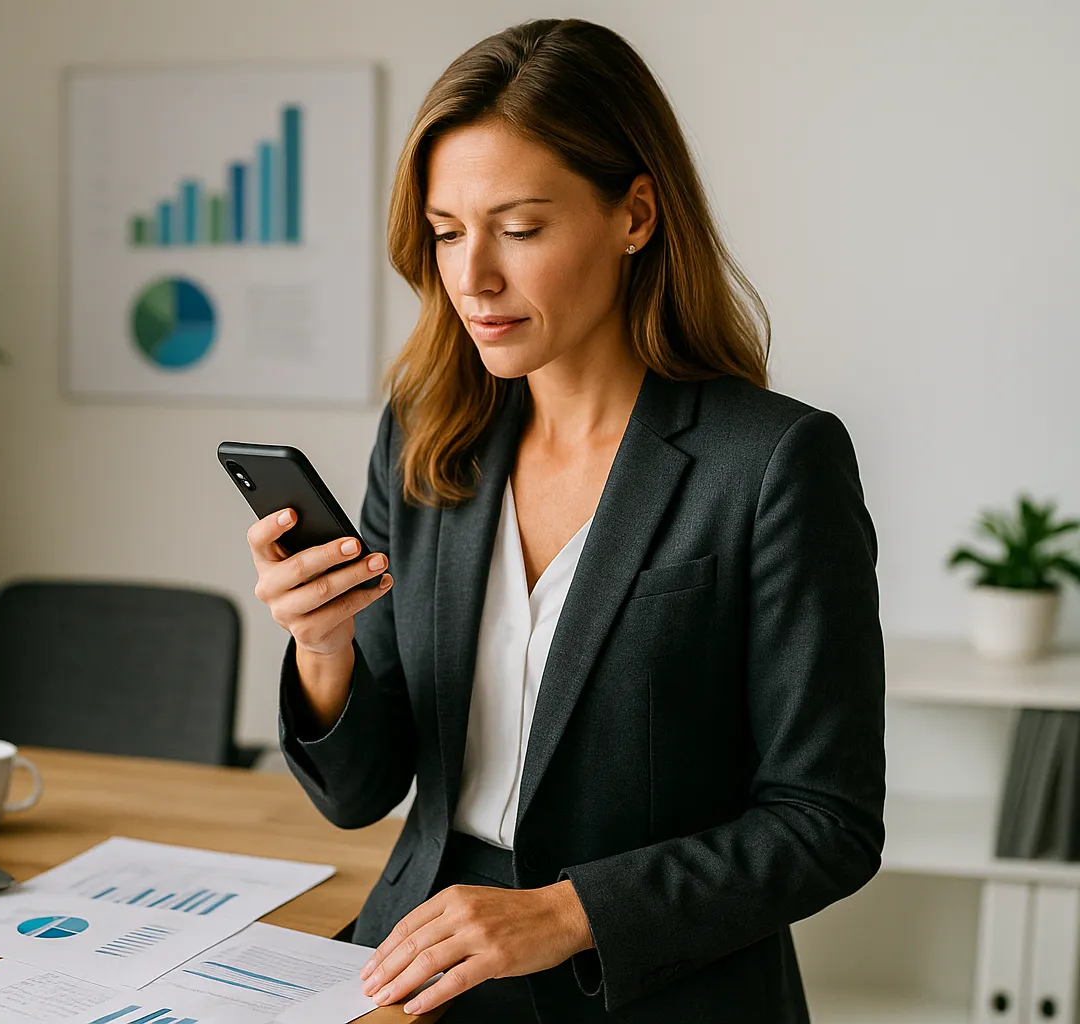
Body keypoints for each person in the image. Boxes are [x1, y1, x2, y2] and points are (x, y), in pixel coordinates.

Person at [242, 17, 884, 1023]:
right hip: (420, 969)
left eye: (521, 228)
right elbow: (359, 792)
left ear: (635, 214)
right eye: (448, 231)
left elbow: (826, 821)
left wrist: (567, 910)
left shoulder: (771, 462)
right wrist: (324, 648)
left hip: (656, 986)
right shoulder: (426, 437)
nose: (473, 278)